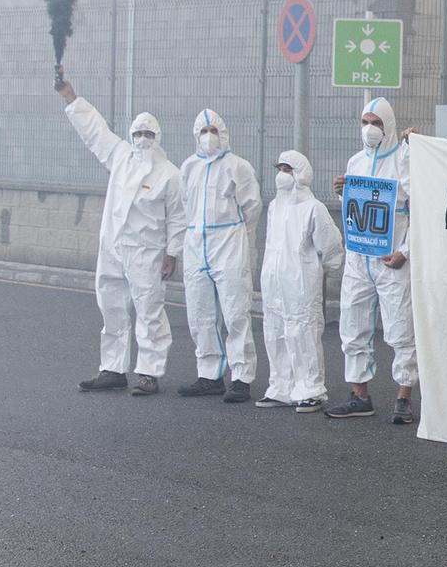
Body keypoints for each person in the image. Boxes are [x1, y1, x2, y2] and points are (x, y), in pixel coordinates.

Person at [57, 76, 183, 397]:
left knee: (149, 310)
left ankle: (149, 373)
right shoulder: (120, 157)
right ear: (130, 135)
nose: (142, 138)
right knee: (111, 306)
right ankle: (112, 368)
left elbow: (178, 216)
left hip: (147, 252)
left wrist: (172, 252)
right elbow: (94, 130)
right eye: (138, 133)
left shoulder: (169, 173)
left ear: (158, 137)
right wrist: (70, 96)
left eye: (148, 134)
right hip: (113, 247)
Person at [329, 97, 418, 424]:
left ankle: (403, 396)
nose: (370, 129)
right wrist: (342, 190)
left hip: (391, 258)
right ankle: (358, 395)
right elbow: (357, 207)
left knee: (400, 328)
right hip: (358, 260)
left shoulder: (403, 161)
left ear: (389, 125)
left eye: (377, 123)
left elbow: (421, 209)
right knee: (352, 326)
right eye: (366, 122)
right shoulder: (356, 162)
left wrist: (405, 251)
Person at [174, 108, 262, 403]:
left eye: (214, 131)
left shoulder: (238, 167)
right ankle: (208, 374)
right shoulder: (188, 167)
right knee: (200, 312)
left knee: (236, 310)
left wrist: (239, 238)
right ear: (195, 135)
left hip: (229, 240)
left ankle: (241, 376)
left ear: (223, 134)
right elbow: (185, 204)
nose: (208, 137)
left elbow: (252, 207)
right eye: (203, 131)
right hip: (196, 241)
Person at [254, 150, 344, 412]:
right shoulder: (274, 207)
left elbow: (332, 247)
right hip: (275, 282)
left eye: (288, 169)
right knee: (275, 331)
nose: (282, 174)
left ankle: (311, 388)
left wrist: (321, 270)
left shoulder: (313, 208)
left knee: (303, 332)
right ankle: (281, 386)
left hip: (301, 282)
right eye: (280, 168)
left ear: (301, 173)